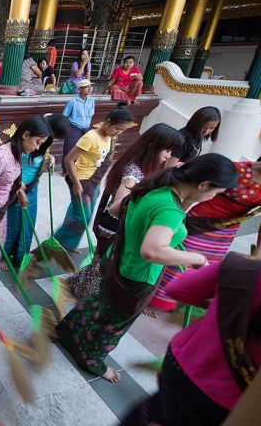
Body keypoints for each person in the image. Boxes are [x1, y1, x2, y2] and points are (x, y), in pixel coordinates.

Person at [56, 153, 238, 382]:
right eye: (216, 192)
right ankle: (91, 360)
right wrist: (197, 258)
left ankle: (67, 331)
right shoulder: (170, 210)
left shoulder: (155, 187)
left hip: (118, 259)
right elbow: (152, 251)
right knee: (113, 325)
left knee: (99, 304)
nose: (213, 197)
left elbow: (115, 210)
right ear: (203, 184)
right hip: (137, 276)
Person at [124, 253, 261, 425]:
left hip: (183, 369)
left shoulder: (244, 268)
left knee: (153, 413)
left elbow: (177, 288)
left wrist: (224, 300)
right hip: (233, 405)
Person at [67, 124, 184, 299]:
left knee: (100, 263)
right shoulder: (133, 172)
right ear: (153, 146)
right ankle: (85, 298)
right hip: (113, 227)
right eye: (167, 150)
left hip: (118, 226)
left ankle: (79, 285)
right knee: (102, 266)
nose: (168, 156)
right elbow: (117, 208)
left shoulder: (147, 167)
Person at [150, 156, 261, 313]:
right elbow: (194, 191)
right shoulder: (237, 170)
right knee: (177, 260)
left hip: (226, 230)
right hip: (199, 221)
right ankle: (155, 298)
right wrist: (178, 216)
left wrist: (257, 255)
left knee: (204, 268)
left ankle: (176, 301)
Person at [0, 116, 53, 303]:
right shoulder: (1, 155)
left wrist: (20, 191)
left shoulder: (17, 152)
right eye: (37, 142)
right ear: (26, 135)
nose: (37, 147)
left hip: (1, 208)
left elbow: (11, 177)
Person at [54, 105, 135, 254]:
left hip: (93, 180)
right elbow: (69, 160)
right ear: (108, 121)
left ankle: (66, 241)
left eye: (123, 130)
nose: (119, 132)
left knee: (84, 213)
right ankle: (59, 241)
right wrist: (77, 184)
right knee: (81, 214)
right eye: (117, 128)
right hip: (81, 178)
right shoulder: (90, 137)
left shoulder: (110, 137)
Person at [5, 114, 71, 266]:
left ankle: (21, 256)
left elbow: (40, 158)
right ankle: (5, 254)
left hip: (32, 187)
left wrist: (50, 159)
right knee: (13, 224)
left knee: (28, 224)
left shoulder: (42, 144)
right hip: (16, 188)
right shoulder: (25, 142)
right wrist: (19, 187)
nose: (40, 145)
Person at [61, 79, 96, 171]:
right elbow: (64, 116)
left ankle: (77, 168)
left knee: (83, 149)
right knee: (69, 148)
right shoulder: (72, 102)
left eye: (90, 87)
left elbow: (90, 115)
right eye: (86, 87)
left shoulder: (91, 101)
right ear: (80, 89)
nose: (89, 89)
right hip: (74, 127)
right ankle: (66, 170)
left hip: (86, 128)